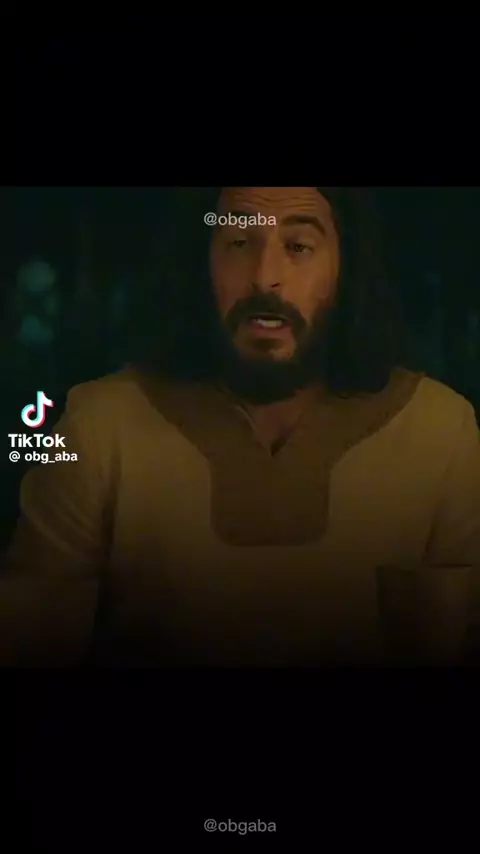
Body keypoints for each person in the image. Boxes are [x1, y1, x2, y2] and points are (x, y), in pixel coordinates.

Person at [2, 187, 480, 667]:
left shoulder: (440, 430)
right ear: (199, 263)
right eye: (237, 242)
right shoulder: (97, 425)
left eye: (298, 246)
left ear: (346, 269)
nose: (264, 278)